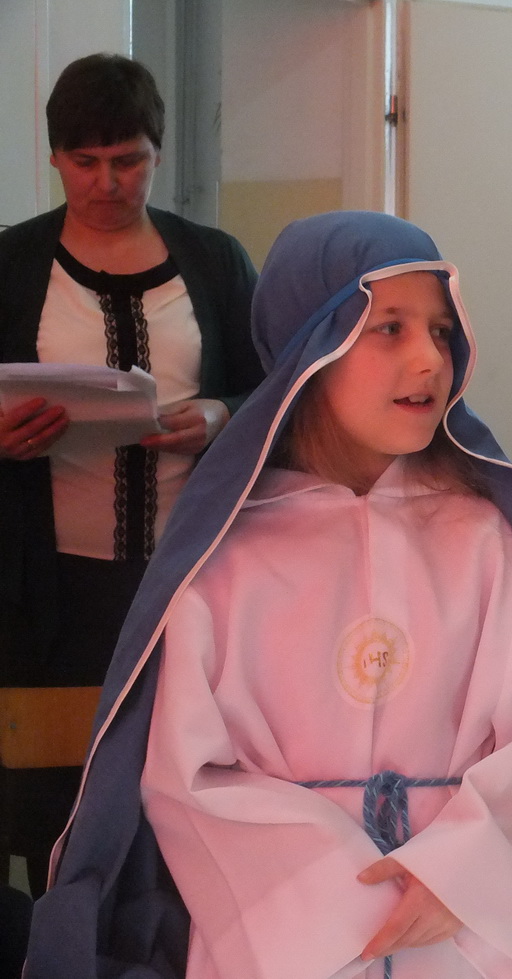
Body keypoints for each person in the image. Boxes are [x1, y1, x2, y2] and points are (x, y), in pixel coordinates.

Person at [25, 211, 512, 978]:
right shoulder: (228, 558)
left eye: (441, 331)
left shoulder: (487, 542)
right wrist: (341, 900)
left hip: (464, 939)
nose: (428, 358)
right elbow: (189, 778)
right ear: (312, 348)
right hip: (281, 946)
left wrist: (464, 869)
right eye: (390, 328)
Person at [0, 52, 262, 901]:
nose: (107, 183)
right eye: (85, 162)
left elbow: (279, 392)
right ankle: (54, 941)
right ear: (53, 156)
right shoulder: (11, 263)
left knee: (181, 795)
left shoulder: (214, 260)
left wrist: (220, 415)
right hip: (43, 593)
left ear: (158, 152)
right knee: (51, 804)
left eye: (128, 160)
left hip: (190, 584)